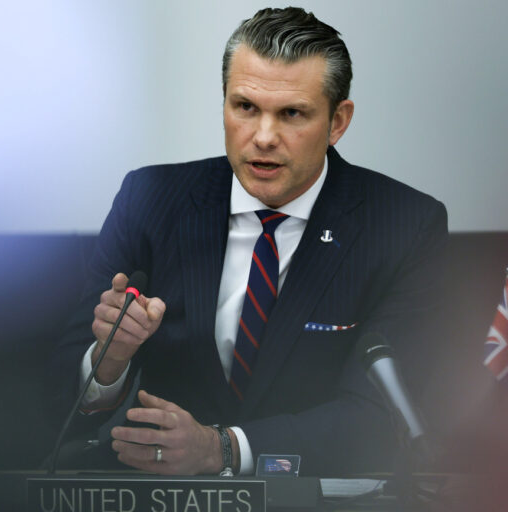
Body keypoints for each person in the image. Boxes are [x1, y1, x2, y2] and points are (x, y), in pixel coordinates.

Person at [50, 6, 447, 477]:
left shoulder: (404, 224)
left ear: (337, 122)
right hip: (158, 495)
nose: (263, 137)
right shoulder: (151, 199)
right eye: (245, 107)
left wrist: (223, 448)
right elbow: (53, 401)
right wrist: (109, 362)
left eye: (292, 114)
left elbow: (385, 418)